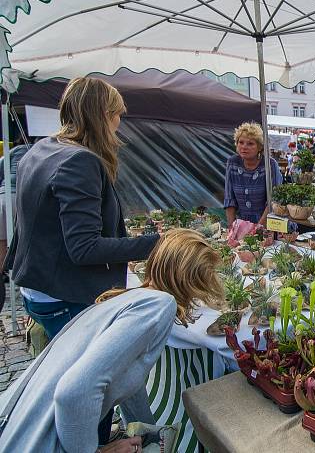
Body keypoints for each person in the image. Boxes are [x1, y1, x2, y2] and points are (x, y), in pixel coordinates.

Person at [0, 228, 224, 452]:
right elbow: (73, 392)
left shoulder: (129, 299)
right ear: (190, 281)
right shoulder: (160, 305)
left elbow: (124, 375)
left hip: (19, 427)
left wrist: (148, 433)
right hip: (36, 443)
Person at [9, 77, 159, 341]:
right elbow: (84, 248)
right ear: (104, 115)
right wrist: (158, 244)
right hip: (66, 296)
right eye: (117, 115)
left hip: (39, 288)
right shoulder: (79, 161)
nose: (119, 124)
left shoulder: (41, 148)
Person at [224, 121, 283, 228]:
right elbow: (229, 199)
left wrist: (258, 228)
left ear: (260, 147)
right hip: (240, 223)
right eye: (241, 142)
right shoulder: (232, 163)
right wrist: (231, 228)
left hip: (267, 224)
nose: (244, 147)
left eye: (250, 143)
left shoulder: (270, 165)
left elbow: (274, 201)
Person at [0, 136, 32, 270]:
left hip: (5, 197)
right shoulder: (39, 152)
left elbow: (1, 169)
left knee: (2, 242)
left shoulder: (13, 151)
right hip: (24, 199)